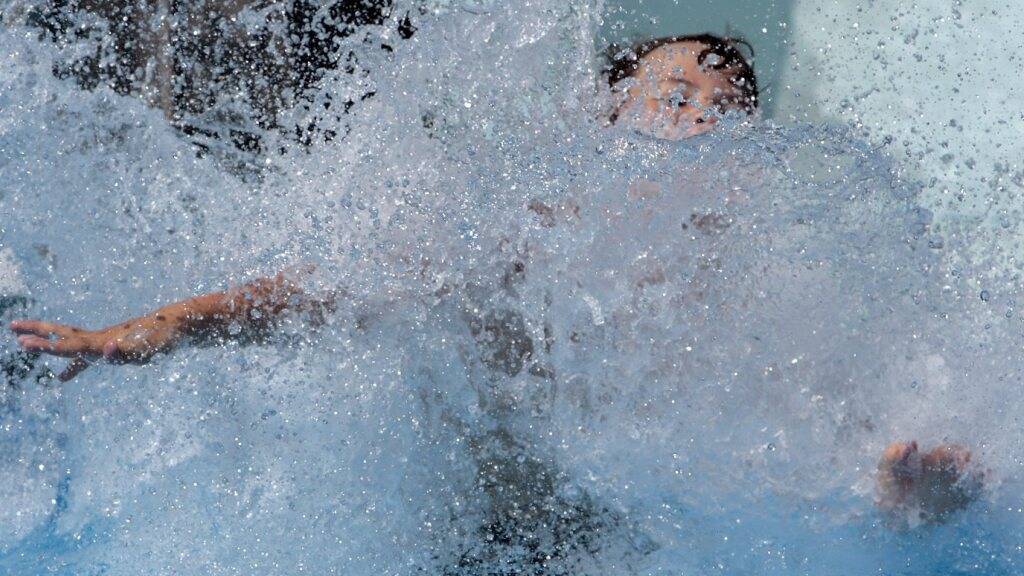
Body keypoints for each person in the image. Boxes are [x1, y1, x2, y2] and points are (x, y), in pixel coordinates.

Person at [8, 33, 979, 525]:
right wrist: (170, 322)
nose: (699, 119)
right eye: (675, 95)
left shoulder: (766, 284)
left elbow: (820, 456)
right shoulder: (537, 231)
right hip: (487, 536)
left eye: (725, 108)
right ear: (613, 116)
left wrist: (899, 491)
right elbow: (342, 291)